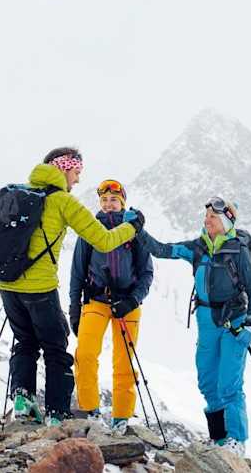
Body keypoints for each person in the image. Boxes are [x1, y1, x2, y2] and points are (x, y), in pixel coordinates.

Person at [0, 147, 145, 427]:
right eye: (76, 172)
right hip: (39, 288)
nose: (77, 180)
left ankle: (22, 399)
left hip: (7, 285)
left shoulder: (19, 191)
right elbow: (102, 240)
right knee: (57, 349)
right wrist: (133, 227)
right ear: (64, 168)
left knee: (25, 342)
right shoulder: (63, 201)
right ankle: (57, 415)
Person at [146, 196, 251, 456]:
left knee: (229, 384)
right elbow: (162, 249)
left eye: (212, 216)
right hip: (206, 322)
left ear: (225, 221)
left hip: (234, 323)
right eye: (206, 216)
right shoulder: (197, 248)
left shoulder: (237, 250)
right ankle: (219, 439)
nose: (207, 220)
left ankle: (236, 441)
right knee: (207, 381)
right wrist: (138, 230)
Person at [69, 179, 155, 433]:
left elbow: (147, 273)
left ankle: (121, 418)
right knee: (84, 355)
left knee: (124, 362)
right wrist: (75, 309)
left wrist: (132, 299)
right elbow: (76, 273)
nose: (108, 205)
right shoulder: (89, 231)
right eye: (104, 200)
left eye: (114, 200)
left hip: (127, 304)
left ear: (122, 203)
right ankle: (91, 411)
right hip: (96, 300)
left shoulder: (134, 232)